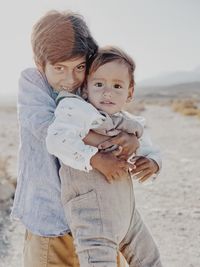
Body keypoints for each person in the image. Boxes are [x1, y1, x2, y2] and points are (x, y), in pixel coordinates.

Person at [11, 10, 139, 267]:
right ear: (40, 64)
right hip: (52, 219)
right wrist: (99, 150)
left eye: (80, 67)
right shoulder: (33, 82)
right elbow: (47, 128)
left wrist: (131, 138)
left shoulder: (88, 83)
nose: (70, 80)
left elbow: (113, 115)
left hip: (97, 216)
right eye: (59, 69)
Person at [46, 46, 163, 267]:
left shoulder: (129, 121)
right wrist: (94, 158)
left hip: (128, 216)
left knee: (151, 260)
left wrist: (152, 163)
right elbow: (56, 139)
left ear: (130, 92)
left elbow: (150, 146)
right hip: (93, 218)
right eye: (99, 84)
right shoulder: (76, 110)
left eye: (117, 86)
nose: (107, 92)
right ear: (85, 88)